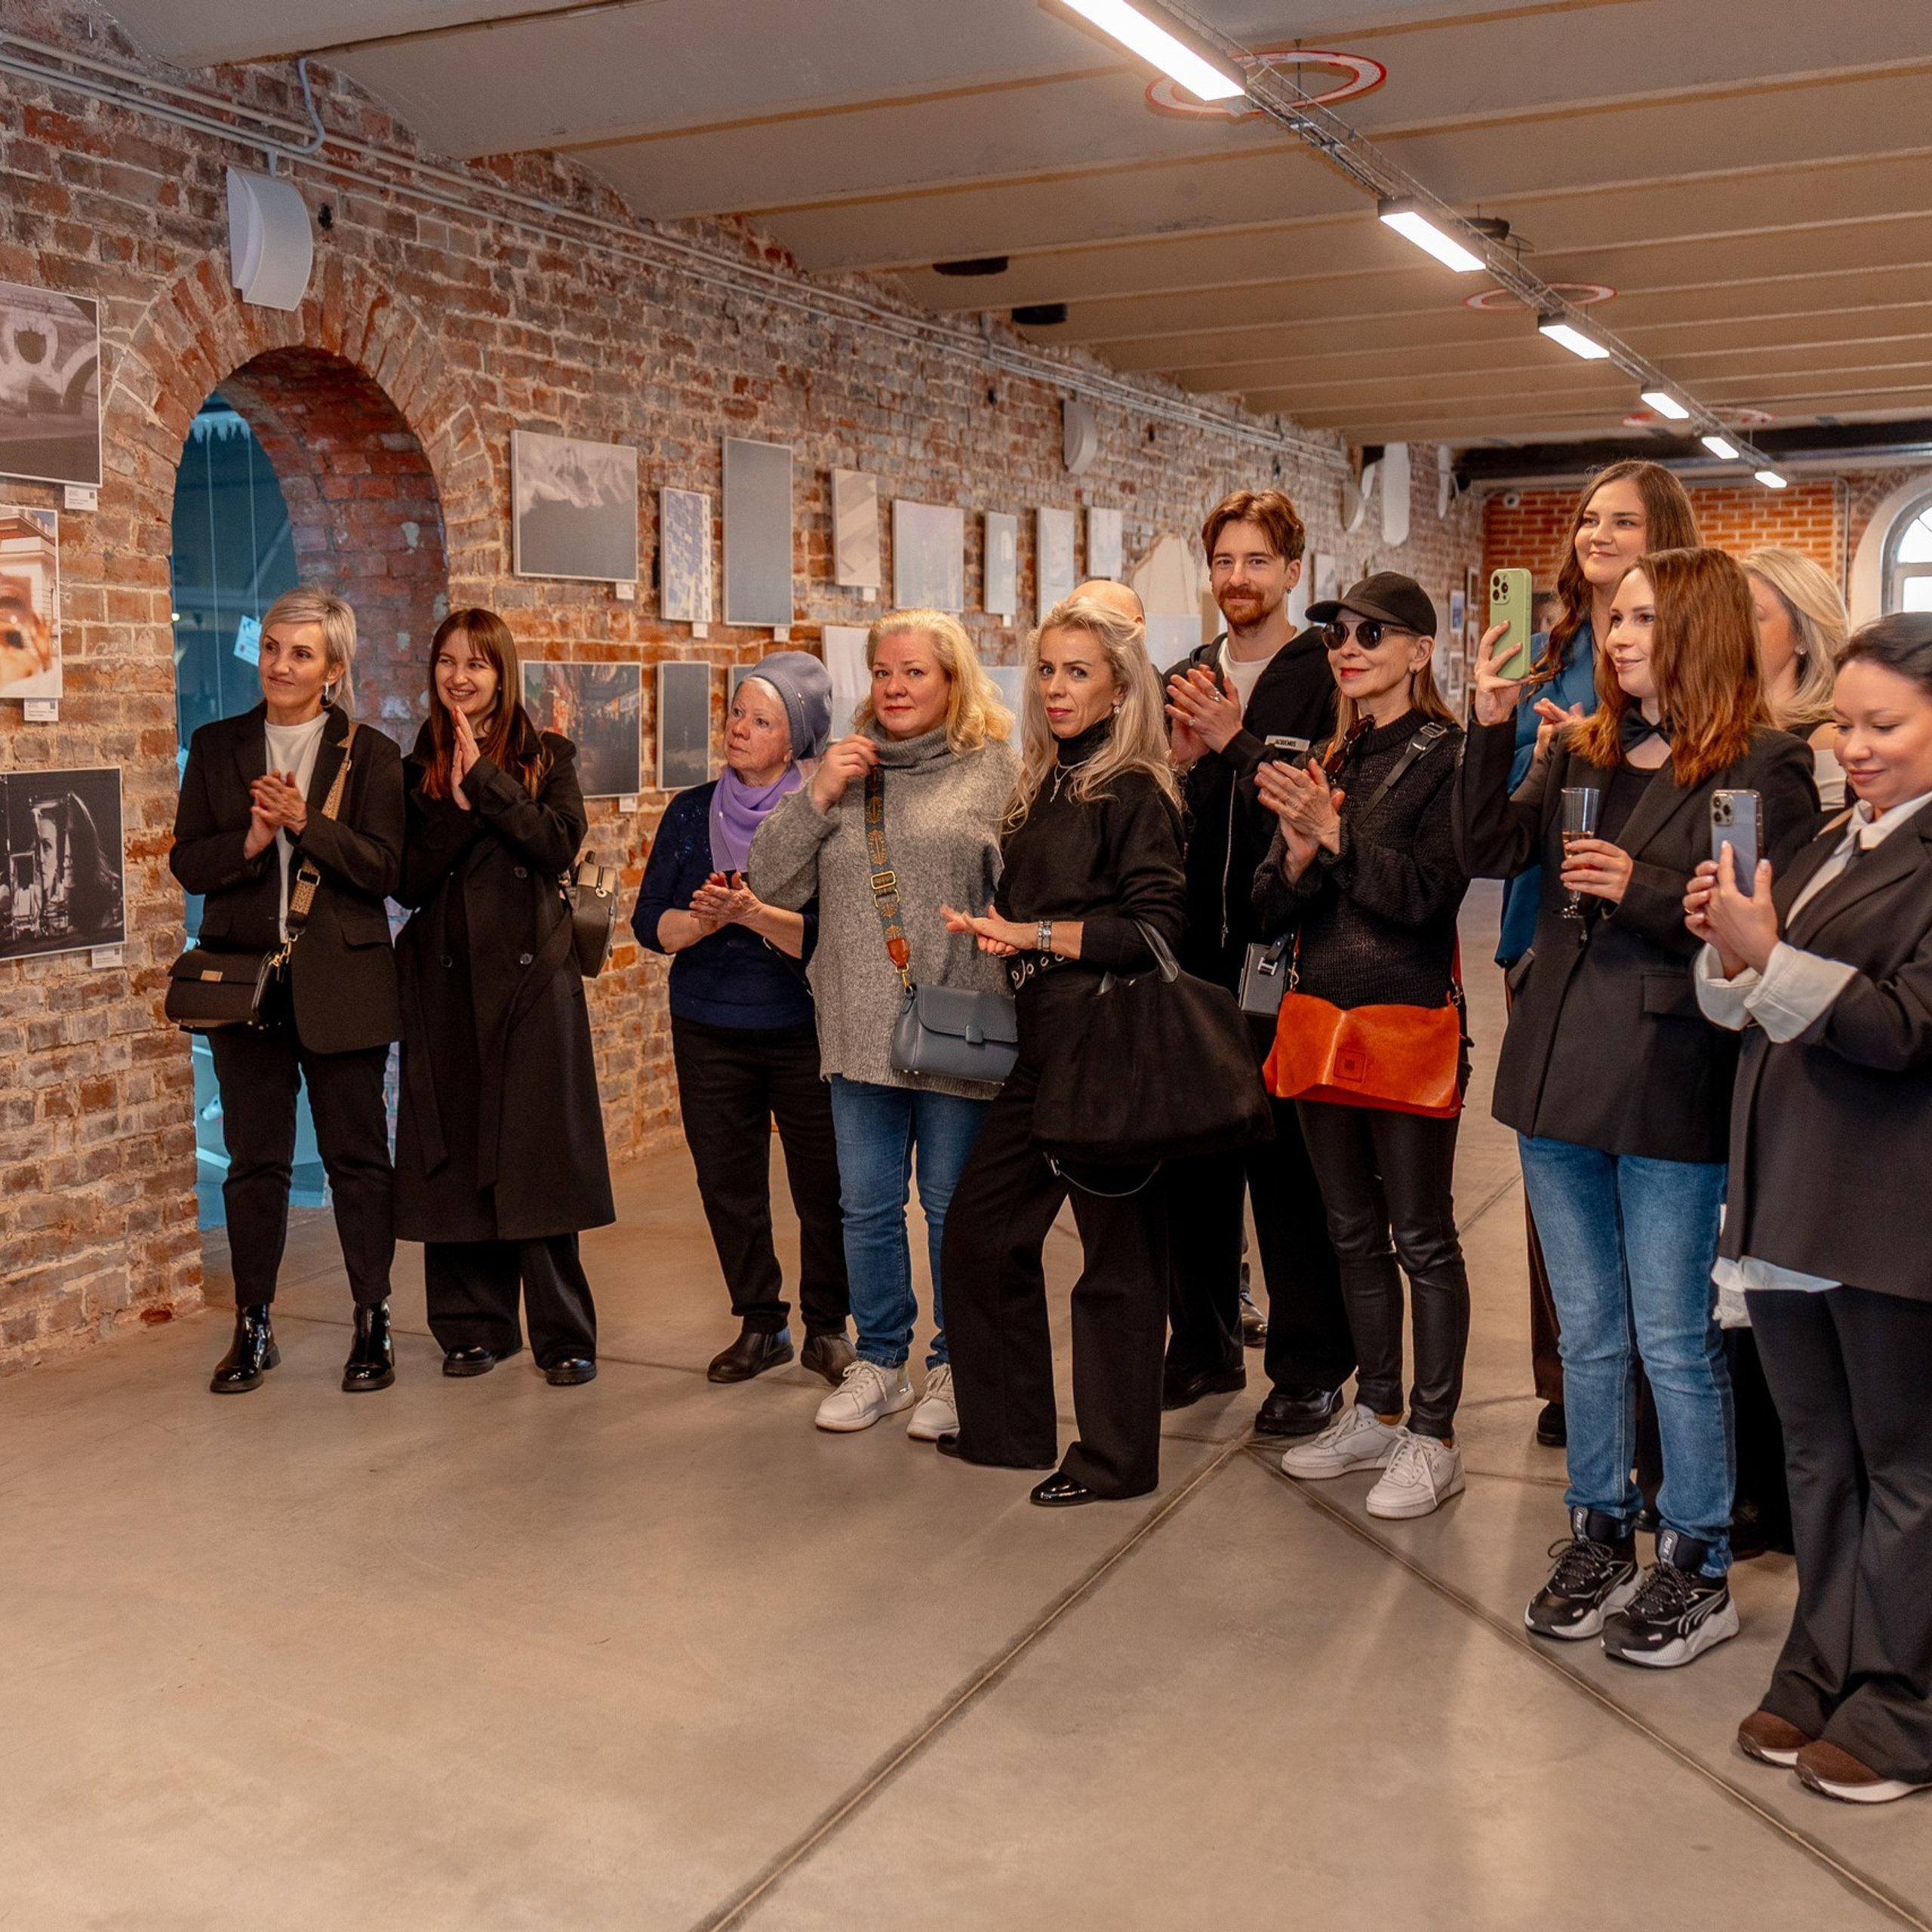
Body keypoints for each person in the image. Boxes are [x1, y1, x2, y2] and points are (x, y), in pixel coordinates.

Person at [1457, 546, 1817, 1666]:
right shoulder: (1584, 748)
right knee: (1589, 1332)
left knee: (1673, 1337)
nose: (1617, 637)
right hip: (1557, 1077)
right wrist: (1488, 727)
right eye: (1616, 619)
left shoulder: (1766, 765)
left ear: (1700, 631)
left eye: (1644, 619)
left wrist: (1641, 888)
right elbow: (1488, 848)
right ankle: (1600, 1528)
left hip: (1670, 1081)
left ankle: (1697, 1558)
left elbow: (1763, 924)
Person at [1686, 613, 1932, 1803]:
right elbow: (1752, 1005)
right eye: (1845, 723)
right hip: (1789, 1191)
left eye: (1884, 725)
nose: (1856, 746)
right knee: (1818, 1456)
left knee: (1905, 1468)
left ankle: (1903, 1703)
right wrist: (1733, 950)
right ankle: (1822, 1667)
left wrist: (1770, 957)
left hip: (1889, 1205)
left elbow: (1905, 1027)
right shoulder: (1838, 837)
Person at [937, 596, 1186, 1506]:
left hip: (1109, 1047)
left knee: (1116, 1261)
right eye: (1046, 669)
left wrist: (1033, 934)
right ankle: (1006, 1430)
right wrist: (1011, 935)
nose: (1055, 687)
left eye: (1078, 671)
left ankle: (1115, 1461)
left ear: (1120, 688)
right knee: (981, 1230)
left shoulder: (1137, 788)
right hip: (1042, 1042)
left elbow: (1154, 931)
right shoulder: (1044, 781)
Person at [750, 610, 1018, 1439]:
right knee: (865, 1206)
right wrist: (817, 794)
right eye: (883, 672)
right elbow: (771, 879)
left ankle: (955, 1364)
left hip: (958, 1025)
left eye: (915, 672)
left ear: (953, 680)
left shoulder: (995, 770)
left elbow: (1023, 893)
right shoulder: (847, 768)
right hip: (859, 1025)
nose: (895, 688)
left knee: (948, 1207)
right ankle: (880, 1361)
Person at [1255, 574, 1472, 1519]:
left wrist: (1334, 837)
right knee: (1349, 1232)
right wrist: (1300, 854)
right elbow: (1266, 905)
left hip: (1405, 1020)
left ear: (1419, 651)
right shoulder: (1329, 754)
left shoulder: (1448, 756)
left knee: (1420, 1236)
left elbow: (1425, 897)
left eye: (1370, 634)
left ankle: (1434, 1434)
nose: (1347, 647)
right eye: (1337, 634)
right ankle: (1377, 1409)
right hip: (1318, 1023)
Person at [1497, 462, 1700, 1449]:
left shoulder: (1684, 657)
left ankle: (1657, 1406)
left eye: (1622, 521)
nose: (1596, 534)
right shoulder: (1552, 648)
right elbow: (1506, 809)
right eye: (1588, 518)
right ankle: (1571, 1386)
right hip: (1541, 932)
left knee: (1656, 1223)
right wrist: (1534, 742)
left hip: (1642, 956)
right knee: (1561, 1206)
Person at [169, 586, 405, 1395]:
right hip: (244, 987)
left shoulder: (372, 754)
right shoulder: (216, 746)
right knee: (254, 1163)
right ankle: (253, 1324)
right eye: (272, 647)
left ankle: (373, 1320)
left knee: (357, 1161)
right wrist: (251, 837)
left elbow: (385, 869)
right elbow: (188, 863)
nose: (279, 664)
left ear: (333, 669)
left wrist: (306, 824)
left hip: (345, 985)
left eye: (301, 653)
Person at [1160, 489, 1345, 1438]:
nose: (1238, 578)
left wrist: (1231, 743)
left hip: (1283, 953)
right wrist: (1178, 762)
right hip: (1192, 957)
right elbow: (1166, 810)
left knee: (1286, 1174)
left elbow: (1302, 799)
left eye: (1257, 561)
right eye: (1224, 561)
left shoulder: (1325, 676)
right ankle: (1203, 1342)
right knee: (1192, 1164)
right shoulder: (1187, 674)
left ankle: (1308, 1368)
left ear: (1292, 571)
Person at [393, 609, 612, 1386]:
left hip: (531, 982)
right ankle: (472, 1326)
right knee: (452, 1153)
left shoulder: (548, 754)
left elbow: (557, 843)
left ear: (501, 673)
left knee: (536, 1155)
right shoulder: (416, 763)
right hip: (446, 981)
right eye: (447, 661)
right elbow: (408, 881)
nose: (460, 677)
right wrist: (455, 807)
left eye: (476, 664)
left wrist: (482, 782)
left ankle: (563, 1335)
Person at [634, 654, 854, 1389]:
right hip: (707, 1026)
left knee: (823, 1186)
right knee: (729, 1185)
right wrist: (705, 921)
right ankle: (762, 1323)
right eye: (736, 712)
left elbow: (829, 935)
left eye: (761, 720)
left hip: (802, 1028)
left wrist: (752, 914)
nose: (738, 728)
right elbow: (649, 924)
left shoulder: (822, 816)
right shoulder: (688, 811)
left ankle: (828, 1327)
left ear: (794, 740)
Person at [1743, 546, 1850, 806]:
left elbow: (1834, 831)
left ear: (1803, 635)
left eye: (1752, 616)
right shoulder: (1714, 731)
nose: (1732, 630)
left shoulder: (1827, 741)